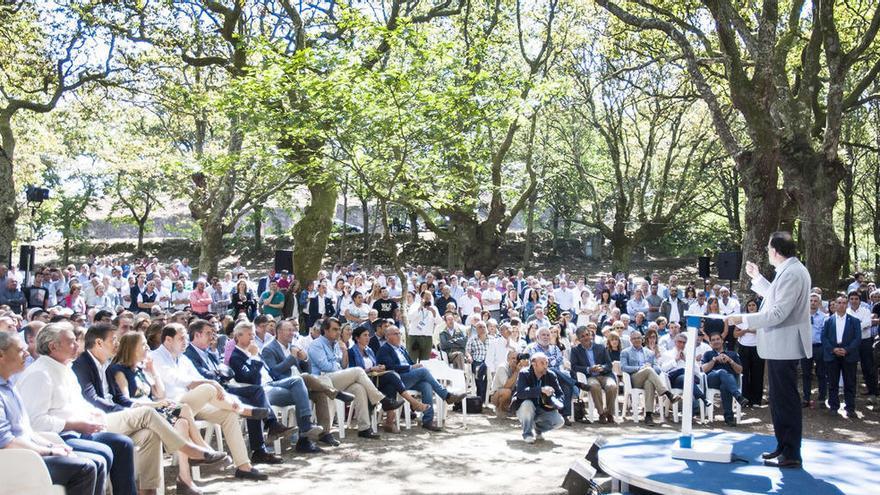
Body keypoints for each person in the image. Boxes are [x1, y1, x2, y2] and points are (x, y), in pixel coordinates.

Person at [17, 322, 221, 495]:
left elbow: (80, 402)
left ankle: (147, 491)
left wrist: (90, 413)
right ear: (53, 346)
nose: (77, 344)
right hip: (65, 434)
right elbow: (35, 422)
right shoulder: (41, 374)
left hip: (90, 423)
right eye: (71, 341)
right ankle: (188, 448)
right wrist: (76, 423)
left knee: (143, 436)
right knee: (147, 413)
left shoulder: (65, 368)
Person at [726, 231, 812, 469]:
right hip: (778, 346)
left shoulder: (793, 273)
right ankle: (783, 446)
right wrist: (758, 278)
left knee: (785, 400)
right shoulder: (789, 270)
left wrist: (742, 319)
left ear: (775, 250)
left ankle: (791, 452)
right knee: (777, 399)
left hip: (785, 345)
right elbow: (775, 297)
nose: (767, 252)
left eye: (767, 248)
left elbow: (777, 313)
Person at [150, 323, 273, 480]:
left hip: (192, 404)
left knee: (228, 415)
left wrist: (209, 384)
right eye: (181, 338)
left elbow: (197, 378)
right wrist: (210, 384)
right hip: (172, 406)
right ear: (168, 339)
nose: (185, 342)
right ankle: (242, 409)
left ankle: (244, 466)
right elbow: (177, 380)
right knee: (208, 388)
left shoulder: (183, 358)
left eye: (186, 338)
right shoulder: (156, 357)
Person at [107, 332, 222, 495]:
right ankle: (200, 448)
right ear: (131, 347)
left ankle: (185, 480)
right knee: (184, 409)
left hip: (154, 408)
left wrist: (153, 371)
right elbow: (125, 400)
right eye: (143, 344)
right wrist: (155, 404)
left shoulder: (140, 369)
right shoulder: (119, 369)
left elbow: (160, 393)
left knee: (182, 422)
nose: (147, 347)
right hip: (139, 413)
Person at [1, 331, 103, 495]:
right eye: (20, 350)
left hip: (29, 453)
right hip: (13, 462)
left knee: (97, 461)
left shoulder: (9, 386)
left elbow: (26, 430)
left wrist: (51, 445)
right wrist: (48, 451)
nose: (27, 353)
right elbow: (6, 441)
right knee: (85, 468)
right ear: (1, 355)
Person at [183, 320, 287, 463]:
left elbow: (228, 373)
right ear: (197, 335)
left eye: (213, 333)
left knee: (257, 392)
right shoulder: (189, 354)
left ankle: (269, 427)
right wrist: (219, 372)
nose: (212, 337)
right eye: (208, 333)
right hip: (209, 394)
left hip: (224, 388)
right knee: (253, 401)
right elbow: (205, 375)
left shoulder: (209, 353)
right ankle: (260, 447)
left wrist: (220, 372)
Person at [227, 321, 326, 453]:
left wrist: (304, 358)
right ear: (238, 336)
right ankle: (304, 434)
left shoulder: (255, 351)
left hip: (273, 383)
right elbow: (253, 379)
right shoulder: (236, 357)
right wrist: (254, 357)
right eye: (249, 335)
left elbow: (271, 373)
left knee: (299, 385)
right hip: (261, 392)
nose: (252, 338)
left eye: (253, 334)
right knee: (299, 386)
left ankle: (305, 435)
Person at [308, 317, 403, 438]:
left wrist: (343, 353)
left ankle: (364, 428)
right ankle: (383, 400)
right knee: (358, 370)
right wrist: (337, 363)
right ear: (325, 330)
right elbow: (325, 366)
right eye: (335, 329)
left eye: (339, 330)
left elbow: (342, 365)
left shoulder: (336, 345)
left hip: (334, 379)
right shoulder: (316, 344)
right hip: (321, 381)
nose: (338, 332)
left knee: (359, 388)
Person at [376, 325, 466, 432]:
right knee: (423, 371)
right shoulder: (384, 350)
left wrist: (413, 367)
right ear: (387, 337)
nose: (399, 336)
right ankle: (446, 395)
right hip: (396, 380)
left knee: (426, 385)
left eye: (399, 333)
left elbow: (411, 363)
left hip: (408, 377)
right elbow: (390, 367)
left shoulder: (401, 349)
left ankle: (427, 421)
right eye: (396, 334)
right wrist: (411, 367)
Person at [347, 326, 428, 433]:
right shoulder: (352, 351)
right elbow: (353, 371)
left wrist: (380, 368)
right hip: (363, 381)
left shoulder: (369, 351)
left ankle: (389, 422)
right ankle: (412, 403)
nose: (368, 338)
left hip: (375, 379)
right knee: (391, 375)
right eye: (365, 335)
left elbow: (375, 366)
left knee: (391, 384)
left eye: (368, 335)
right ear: (357, 338)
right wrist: (371, 369)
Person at [619, 331, 680, 426]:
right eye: (634, 338)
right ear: (630, 340)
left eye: (638, 338)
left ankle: (648, 416)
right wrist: (640, 368)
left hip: (648, 377)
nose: (636, 340)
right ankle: (667, 393)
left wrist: (650, 366)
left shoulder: (649, 353)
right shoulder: (625, 352)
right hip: (634, 379)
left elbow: (658, 369)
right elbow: (623, 367)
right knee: (648, 370)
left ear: (642, 339)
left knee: (649, 383)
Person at [511, 352, 565, 443]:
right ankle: (527, 434)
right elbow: (521, 393)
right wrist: (541, 390)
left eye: (547, 363)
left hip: (543, 409)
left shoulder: (551, 375)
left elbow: (560, 394)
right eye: (542, 363)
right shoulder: (524, 373)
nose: (545, 366)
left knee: (559, 422)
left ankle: (538, 429)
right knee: (527, 404)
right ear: (534, 364)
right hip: (524, 409)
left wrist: (555, 403)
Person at [822, 295, 861, 418]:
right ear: (835, 304)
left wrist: (847, 350)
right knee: (832, 383)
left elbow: (857, 338)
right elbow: (824, 337)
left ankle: (850, 408)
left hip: (848, 355)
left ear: (847, 304)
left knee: (850, 383)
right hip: (832, 354)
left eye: (844, 302)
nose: (842, 305)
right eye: (839, 302)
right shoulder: (828, 320)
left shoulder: (854, 321)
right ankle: (834, 407)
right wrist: (833, 349)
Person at [527, 327, 575, 426]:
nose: (546, 337)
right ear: (537, 337)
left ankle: (564, 415)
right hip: (541, 377)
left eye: (548, 335)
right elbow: (540, 364)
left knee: (565, 385)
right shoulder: (533, 348)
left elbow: (559, 360)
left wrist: (548, 361)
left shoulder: (555, 348)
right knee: (551, 370)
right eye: (543, 335)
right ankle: (574, 382)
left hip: (557, 377)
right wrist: (550, 361)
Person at [569, 326, 617, 424]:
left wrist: (602, 367)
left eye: (587, 334)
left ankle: (610, 413)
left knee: (611, 386)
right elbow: (574, 367)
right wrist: (588, 369)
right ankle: (601, 414)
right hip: (590, 376)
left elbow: (609, 364)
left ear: (590, 335)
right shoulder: (575, 350)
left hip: (605, 374)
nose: (586, 337)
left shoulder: (600, 347)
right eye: (582, 336)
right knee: (594, 386)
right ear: (578, 339)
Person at [701, 333, 748, 426]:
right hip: (712, 379)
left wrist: (730, 361)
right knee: (722, 372)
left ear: (722, 341)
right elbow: (703, 369)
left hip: (729, 383)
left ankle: (729, 418)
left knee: (724, 386)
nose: (716, 341)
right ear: (710, 343)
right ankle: (738, 396)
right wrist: (714, 360)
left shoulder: (732, 354)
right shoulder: (708, 354)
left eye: (718, 339)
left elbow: (739, 370)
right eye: (713, 340)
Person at [845, 290, 878, 399]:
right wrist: (858, 326)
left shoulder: (865, 311)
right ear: (849, 300)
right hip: (851, 342)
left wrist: (853, 327)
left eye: (856, 299)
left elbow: (867, 323)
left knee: (868, 367)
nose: (854, 301)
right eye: (852, 299)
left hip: (865, 342)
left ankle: (873, 391)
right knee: (851, 367)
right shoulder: (847, 312)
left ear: (860, 300)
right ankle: (851, 392)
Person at [734, 298, 764, 407]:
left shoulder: (761, 317)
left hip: (757, 348)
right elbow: (735, 334)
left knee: (757, 373)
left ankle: (756, 400)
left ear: (757, 307)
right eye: (749, 305)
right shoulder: (742, 318)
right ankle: (745, 398)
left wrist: (748, 330)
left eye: (753, 305)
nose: (751, 307)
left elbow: (762, 332)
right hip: (744, 348)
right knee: (744, 373)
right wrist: (746, 330)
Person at [802, 293, 828, 408]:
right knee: (806, 374)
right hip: (805, 348)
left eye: (815, 301)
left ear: (819, 303)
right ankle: (806, 398)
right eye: (811, 300)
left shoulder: (824, 317)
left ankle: (822, 398)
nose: (813, 302)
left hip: (819, 347)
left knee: (821, 373)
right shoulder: (802, 316)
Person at [490, 351, 529, 416]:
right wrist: (517, 371)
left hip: (513, 393)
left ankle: (515, 411)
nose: (515, 360)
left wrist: (527, 368)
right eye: (513, 358)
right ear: (508, 359)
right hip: (497, 395)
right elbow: (506, 385)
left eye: (517, 358)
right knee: (507, 391)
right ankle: (500, 409)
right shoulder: (502, 367)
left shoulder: (521, 368)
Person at [407, 290, 439, 362]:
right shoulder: (415, 306)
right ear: (422, 298)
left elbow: (438, 322)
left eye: (429, 297)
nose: (428, 299)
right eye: (426, 297)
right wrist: (419, 308)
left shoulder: (434, 308)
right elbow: (410, 317)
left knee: (425, 362)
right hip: (415, 336)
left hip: (428, 337)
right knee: (412, 360)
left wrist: (434, 313)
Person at [465, 321, 490, 403]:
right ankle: (481, 397)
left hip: (489, 361)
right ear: (476, 329)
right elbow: (467, 351)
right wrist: (469, 356)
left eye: (484, 327)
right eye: (480, 327)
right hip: (477, 360)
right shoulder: (472, 339)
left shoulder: (492, 339)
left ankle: (484, 396)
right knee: (479, 370)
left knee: (486, 372)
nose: (482, 329)